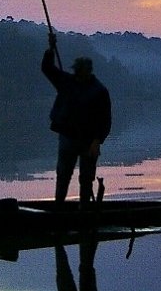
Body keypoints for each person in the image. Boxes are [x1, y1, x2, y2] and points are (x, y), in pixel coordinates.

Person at [40, 30, 111, 205]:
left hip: (89, 141)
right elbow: (47, 69)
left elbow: (105, 120)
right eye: (77, 72)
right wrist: (51, 48)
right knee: (63, 175)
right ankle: (58, 208)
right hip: (68, 138)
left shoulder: (99, 91)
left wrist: (97, 141)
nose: (78, 75)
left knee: (86, 179)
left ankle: (85, 210)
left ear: (87, 72)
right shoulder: (67, 82)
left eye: (81, 72)